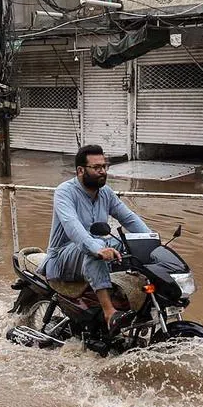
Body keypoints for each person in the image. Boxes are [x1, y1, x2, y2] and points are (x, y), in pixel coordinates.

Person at [43, 144, 150, 335]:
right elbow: (72, 226)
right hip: (61, 257)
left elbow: (129, 218)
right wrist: (96, 248)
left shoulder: (106, 193)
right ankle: (110, 312)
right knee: (96, 248)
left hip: (92, 249)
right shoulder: (64, 192)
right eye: (97, 167)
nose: (102, 171)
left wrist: (151, 241)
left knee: (128, 244)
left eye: (104, 166)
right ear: (81, 170)